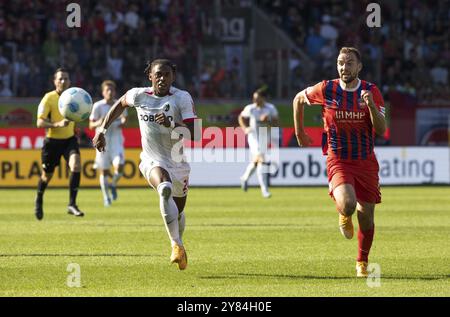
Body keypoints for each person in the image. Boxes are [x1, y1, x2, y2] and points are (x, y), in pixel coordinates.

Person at [93, 59, 200, 270]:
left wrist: (171, 124)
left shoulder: (182, 98)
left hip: (178, 162)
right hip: (152, 160)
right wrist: (102, 130)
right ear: (150, 76)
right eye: (158, 74)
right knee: (164, 189)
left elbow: (195, 133)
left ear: (173, 77)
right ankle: (176, 245)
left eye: (166, 74)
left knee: (177, 213)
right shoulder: (139, 95)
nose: (162, 78)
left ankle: (179, 242)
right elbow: (120, 104)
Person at [293, 47, 386, 277]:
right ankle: (343, 213)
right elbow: (297, 99)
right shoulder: (327, 88)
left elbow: (382, 130)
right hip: (339, 159)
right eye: (341, 63)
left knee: (366, 217)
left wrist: (371, 106)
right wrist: (299, 132)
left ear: (359, 66)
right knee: (348, 205)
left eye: (350, 63)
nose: (344, 67)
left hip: (365, 161)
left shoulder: (371, 91)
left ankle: (362, 261)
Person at [34, 68, 85, 220]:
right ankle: (39, 198)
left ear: (70, 81)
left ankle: (72, 204)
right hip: (52, 142)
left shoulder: (74, 96)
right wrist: (57, 125)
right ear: (54, 81)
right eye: (60, 78)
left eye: (66, 79)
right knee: (46, 176)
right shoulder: (48, 98)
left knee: (76, 165)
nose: (63, 81)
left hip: (69, 140)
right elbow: (39, 122)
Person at [89, 80, 127, 206]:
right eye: (107, 90)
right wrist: (99, 122)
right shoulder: (98, 106)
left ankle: (113, 184)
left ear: (115, 91)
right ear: (103, 92)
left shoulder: (120, 104)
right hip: (102, 143)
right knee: (104, 171)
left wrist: (122, 122)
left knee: (120, 167)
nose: (110, 92)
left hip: (116, 142)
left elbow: (124, 120)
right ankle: (106, 198)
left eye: (112, 90)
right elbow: (90, 125)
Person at [238, 89, 279, 198]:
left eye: (257, 98)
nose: (255, 100)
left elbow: (276, 123)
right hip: (254, 137)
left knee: (257, 161)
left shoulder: (270, 109)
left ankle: (244, 178)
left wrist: (267, 120)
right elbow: (241, 117)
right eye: (254, 98)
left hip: (265, 137)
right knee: (262, 160)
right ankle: (264, 190)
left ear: (263, 98)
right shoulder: (250, 108)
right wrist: (245, 128)